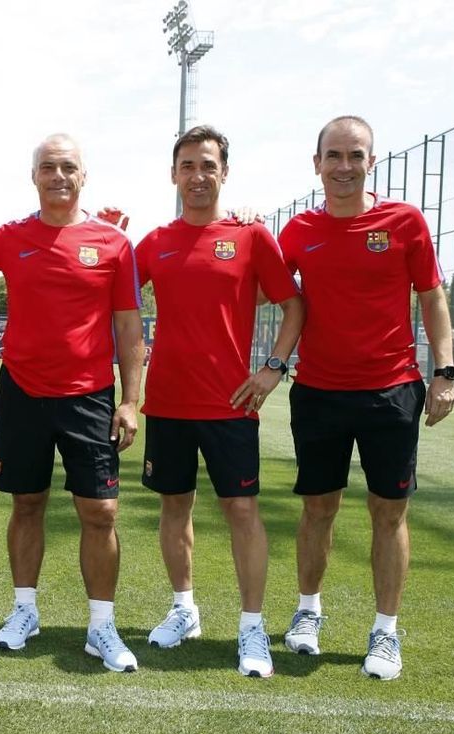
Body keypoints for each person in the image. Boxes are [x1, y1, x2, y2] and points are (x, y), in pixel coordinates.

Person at [0, 133, 145, 673]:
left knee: (100, 512)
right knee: (27, 503)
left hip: (89, 397)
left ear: (84, 175)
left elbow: (129, 326)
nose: (59, 176)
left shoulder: (113, 243)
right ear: (33, 176)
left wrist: (131, 401)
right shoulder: (11, 236)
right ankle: (24, 610)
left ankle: (101, 626)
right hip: (22, 392)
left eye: (68, 167)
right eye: (49, 167)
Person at [278, 115, 454, 680]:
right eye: (334, 155)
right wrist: (243, 231)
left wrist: (445, 371)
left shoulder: (403, 221)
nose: (344, 166)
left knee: (389, 511)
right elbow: (264, 289)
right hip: (318, 392)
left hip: (391, 392)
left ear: (371, 162)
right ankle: (308, 612)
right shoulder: (298, 231)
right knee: (318, 509)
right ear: (317, 164)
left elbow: (432, 297)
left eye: (356, 155)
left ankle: (385, 631)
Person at [132, 125, 304, 678]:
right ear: (173, 174)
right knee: (173, 507)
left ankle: (251, 626)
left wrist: (273, 368)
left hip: (231, 404)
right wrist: (108, 235)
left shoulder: (250, 236)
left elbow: (293, 305)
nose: (198, 176)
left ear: (224, 172)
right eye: (187, 165)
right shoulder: (154, 242)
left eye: (208, 165)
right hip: (167, 403)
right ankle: (184, 609)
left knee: (243, 512)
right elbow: (107, 289)